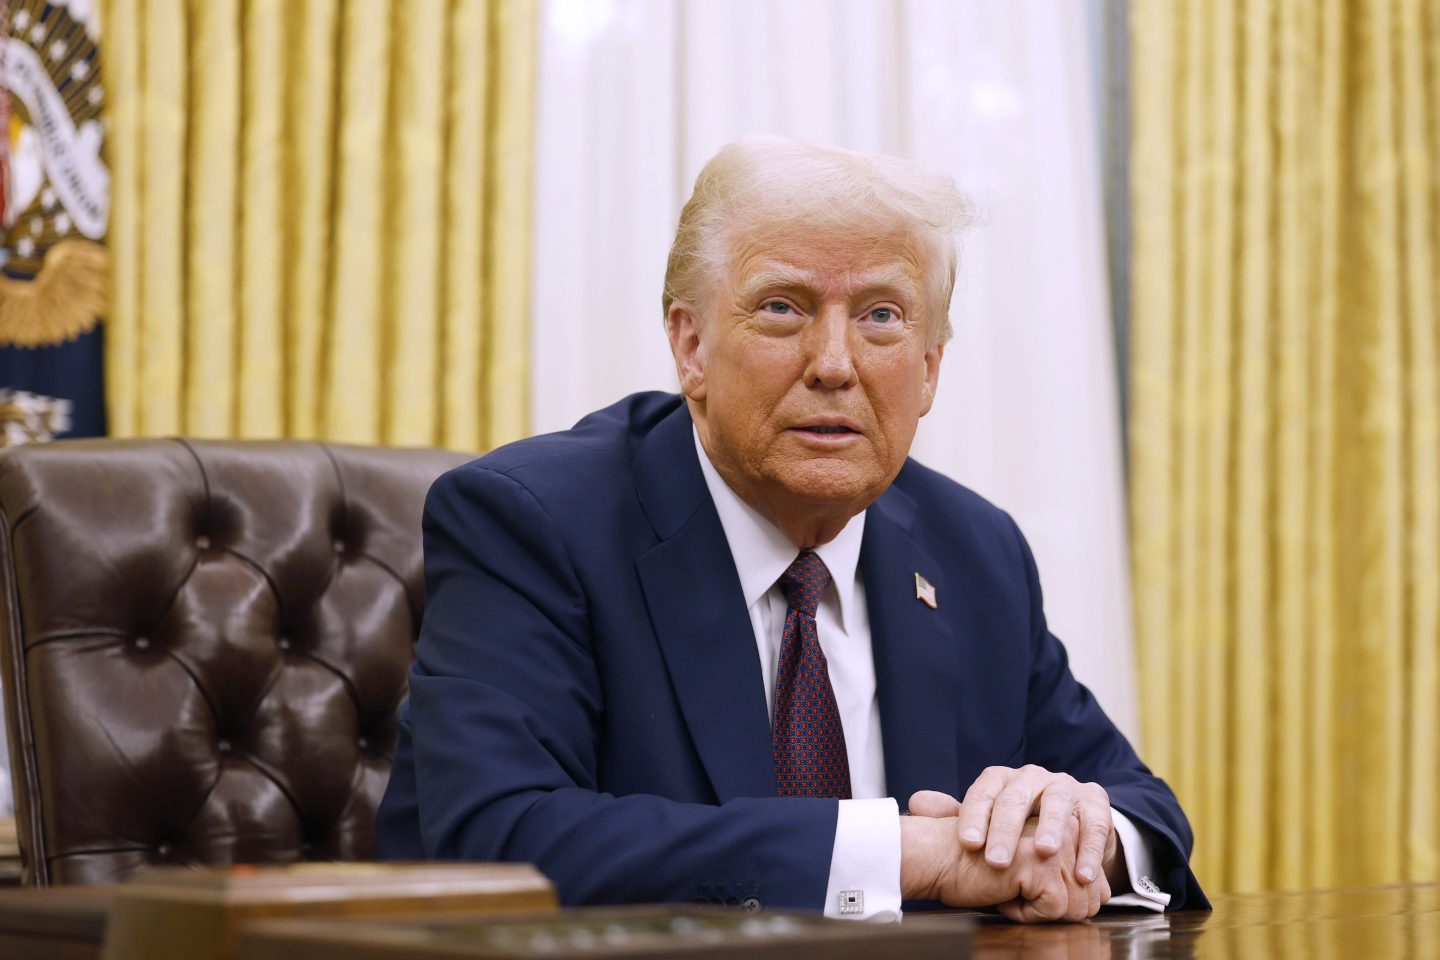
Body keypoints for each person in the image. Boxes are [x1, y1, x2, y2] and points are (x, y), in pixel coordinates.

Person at [377, 136, 1207, 921]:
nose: (835, 364)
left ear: (928, 371)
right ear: (691, 346)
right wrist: (906, 854)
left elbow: (1145, 811)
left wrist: (1076, 836)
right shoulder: (533, 523)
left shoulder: (974, 553)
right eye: (782, 307)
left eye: (882, 316)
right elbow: (496, 840)